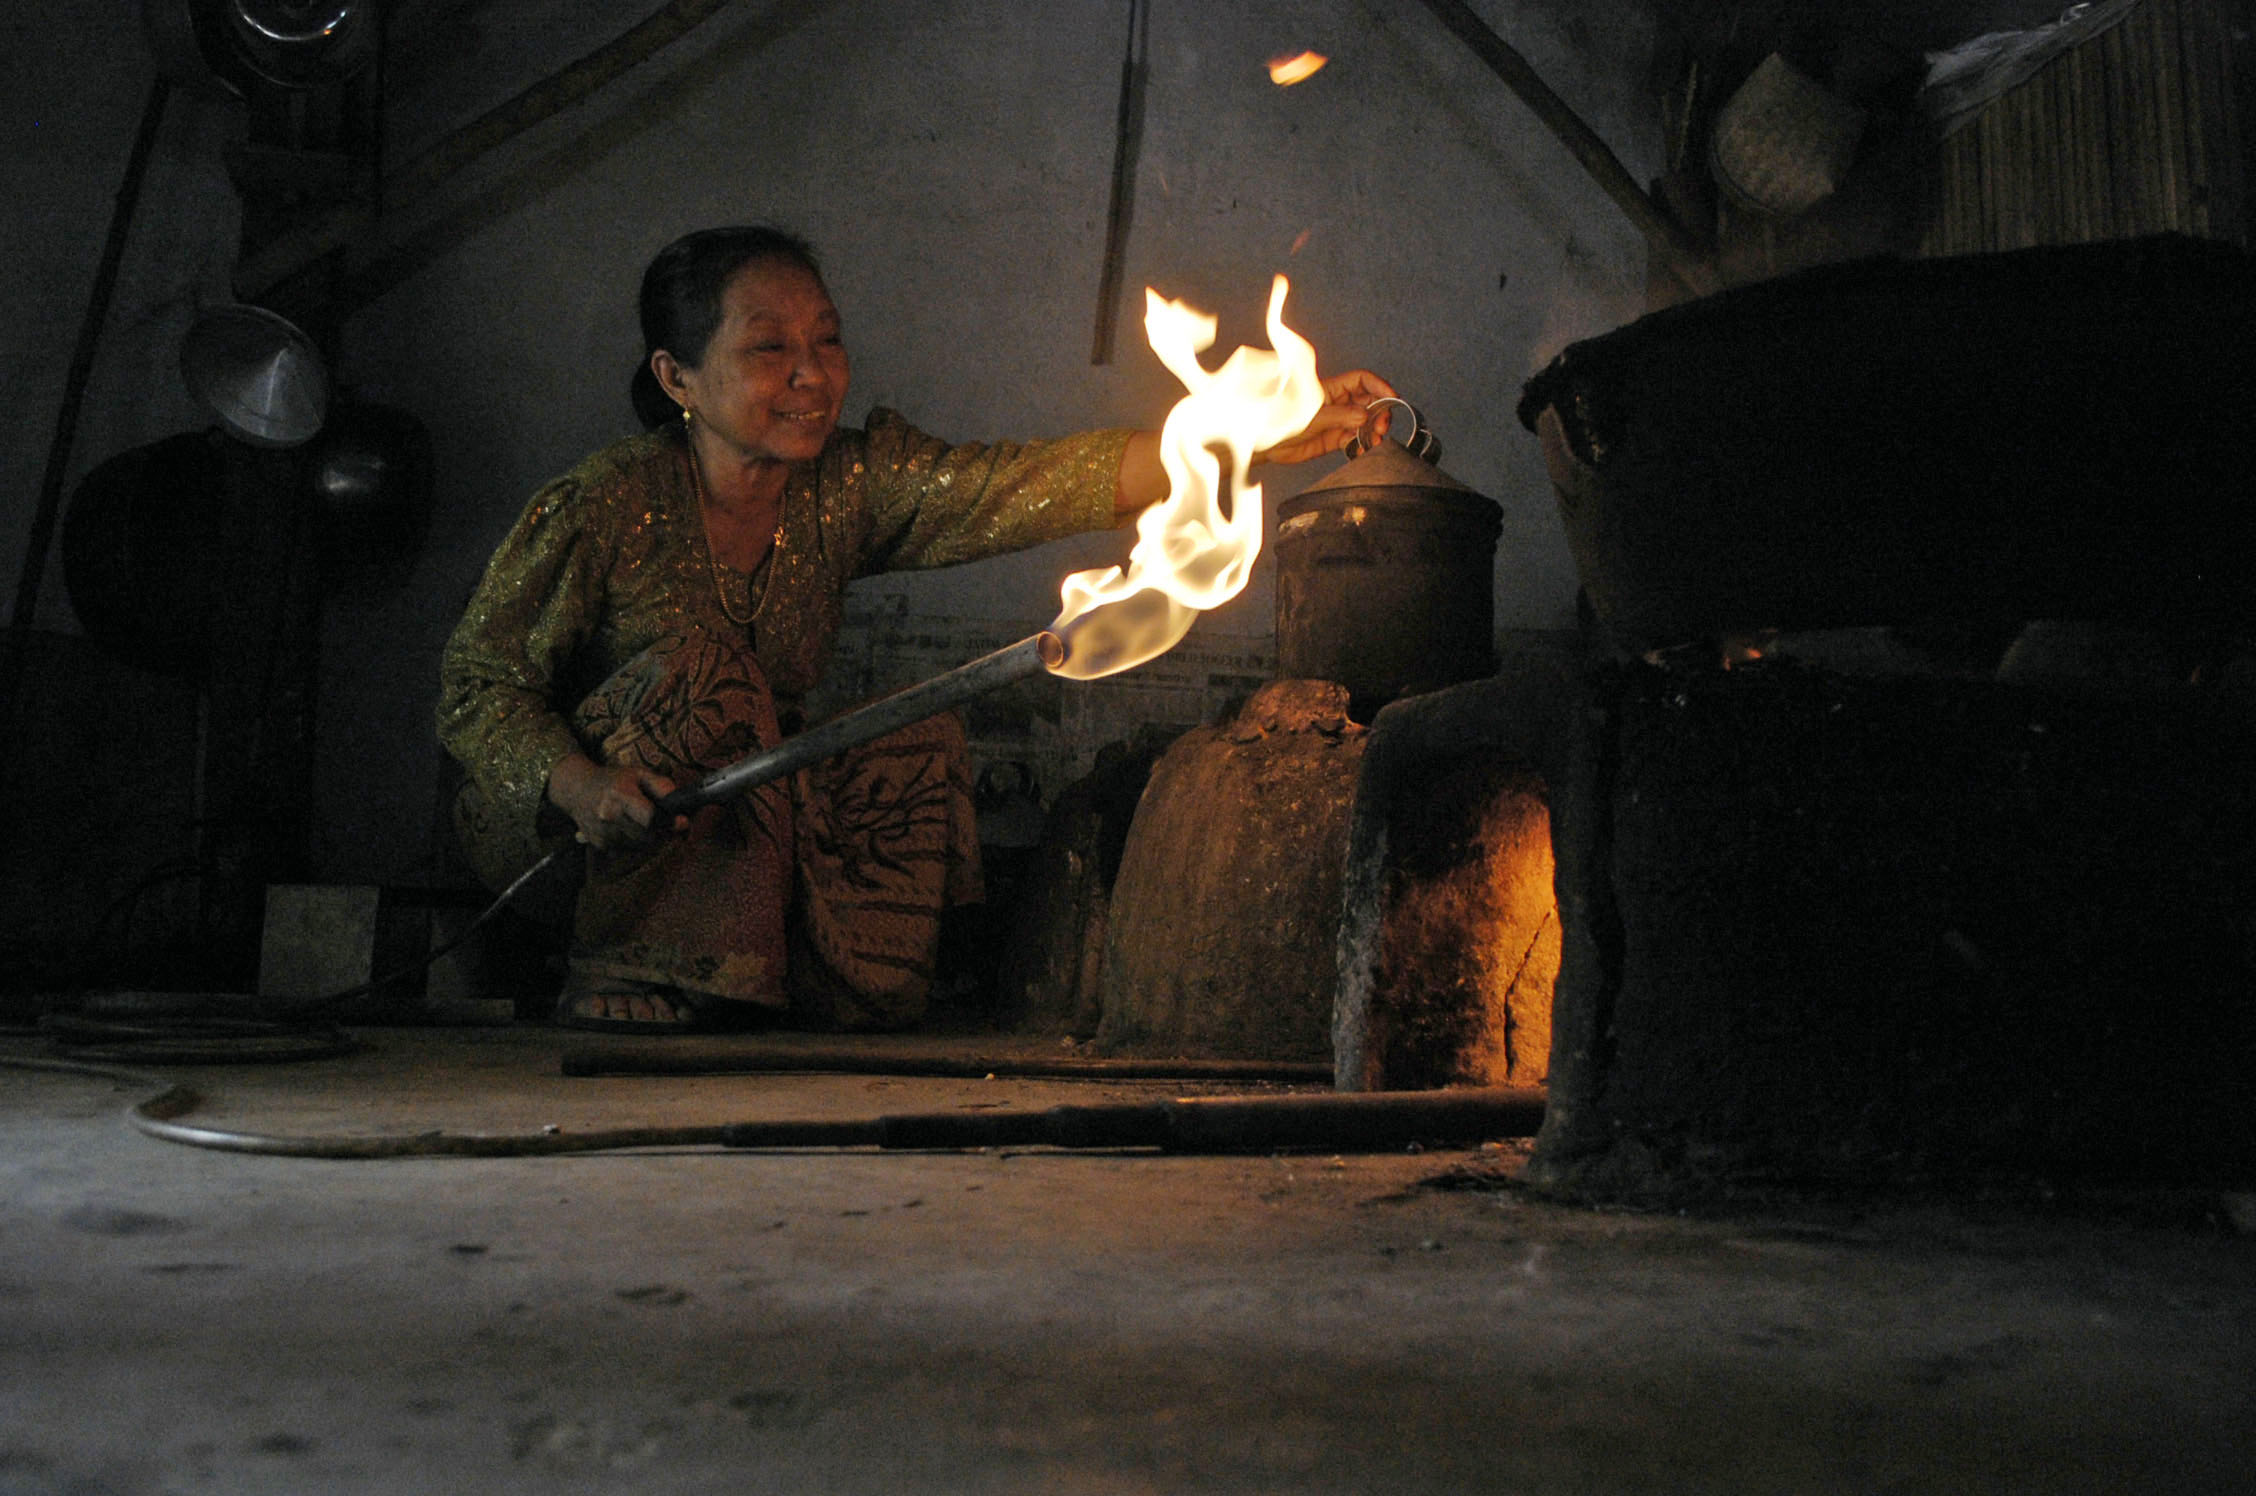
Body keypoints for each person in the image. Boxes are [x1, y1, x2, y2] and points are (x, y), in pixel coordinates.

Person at [437, 224, 1394, 1033]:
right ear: (677, 377)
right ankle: (626, 970)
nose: (814, 374)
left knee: (913, 735)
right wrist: (583, 784)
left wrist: (1248, 435)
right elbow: (478, 687)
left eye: (828, 341)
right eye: (770, 349)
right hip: (578, 838)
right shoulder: (599, 507)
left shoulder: (848, 484)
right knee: (705, 674)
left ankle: (794, 976)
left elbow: (1012, 487)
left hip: (740, 819)